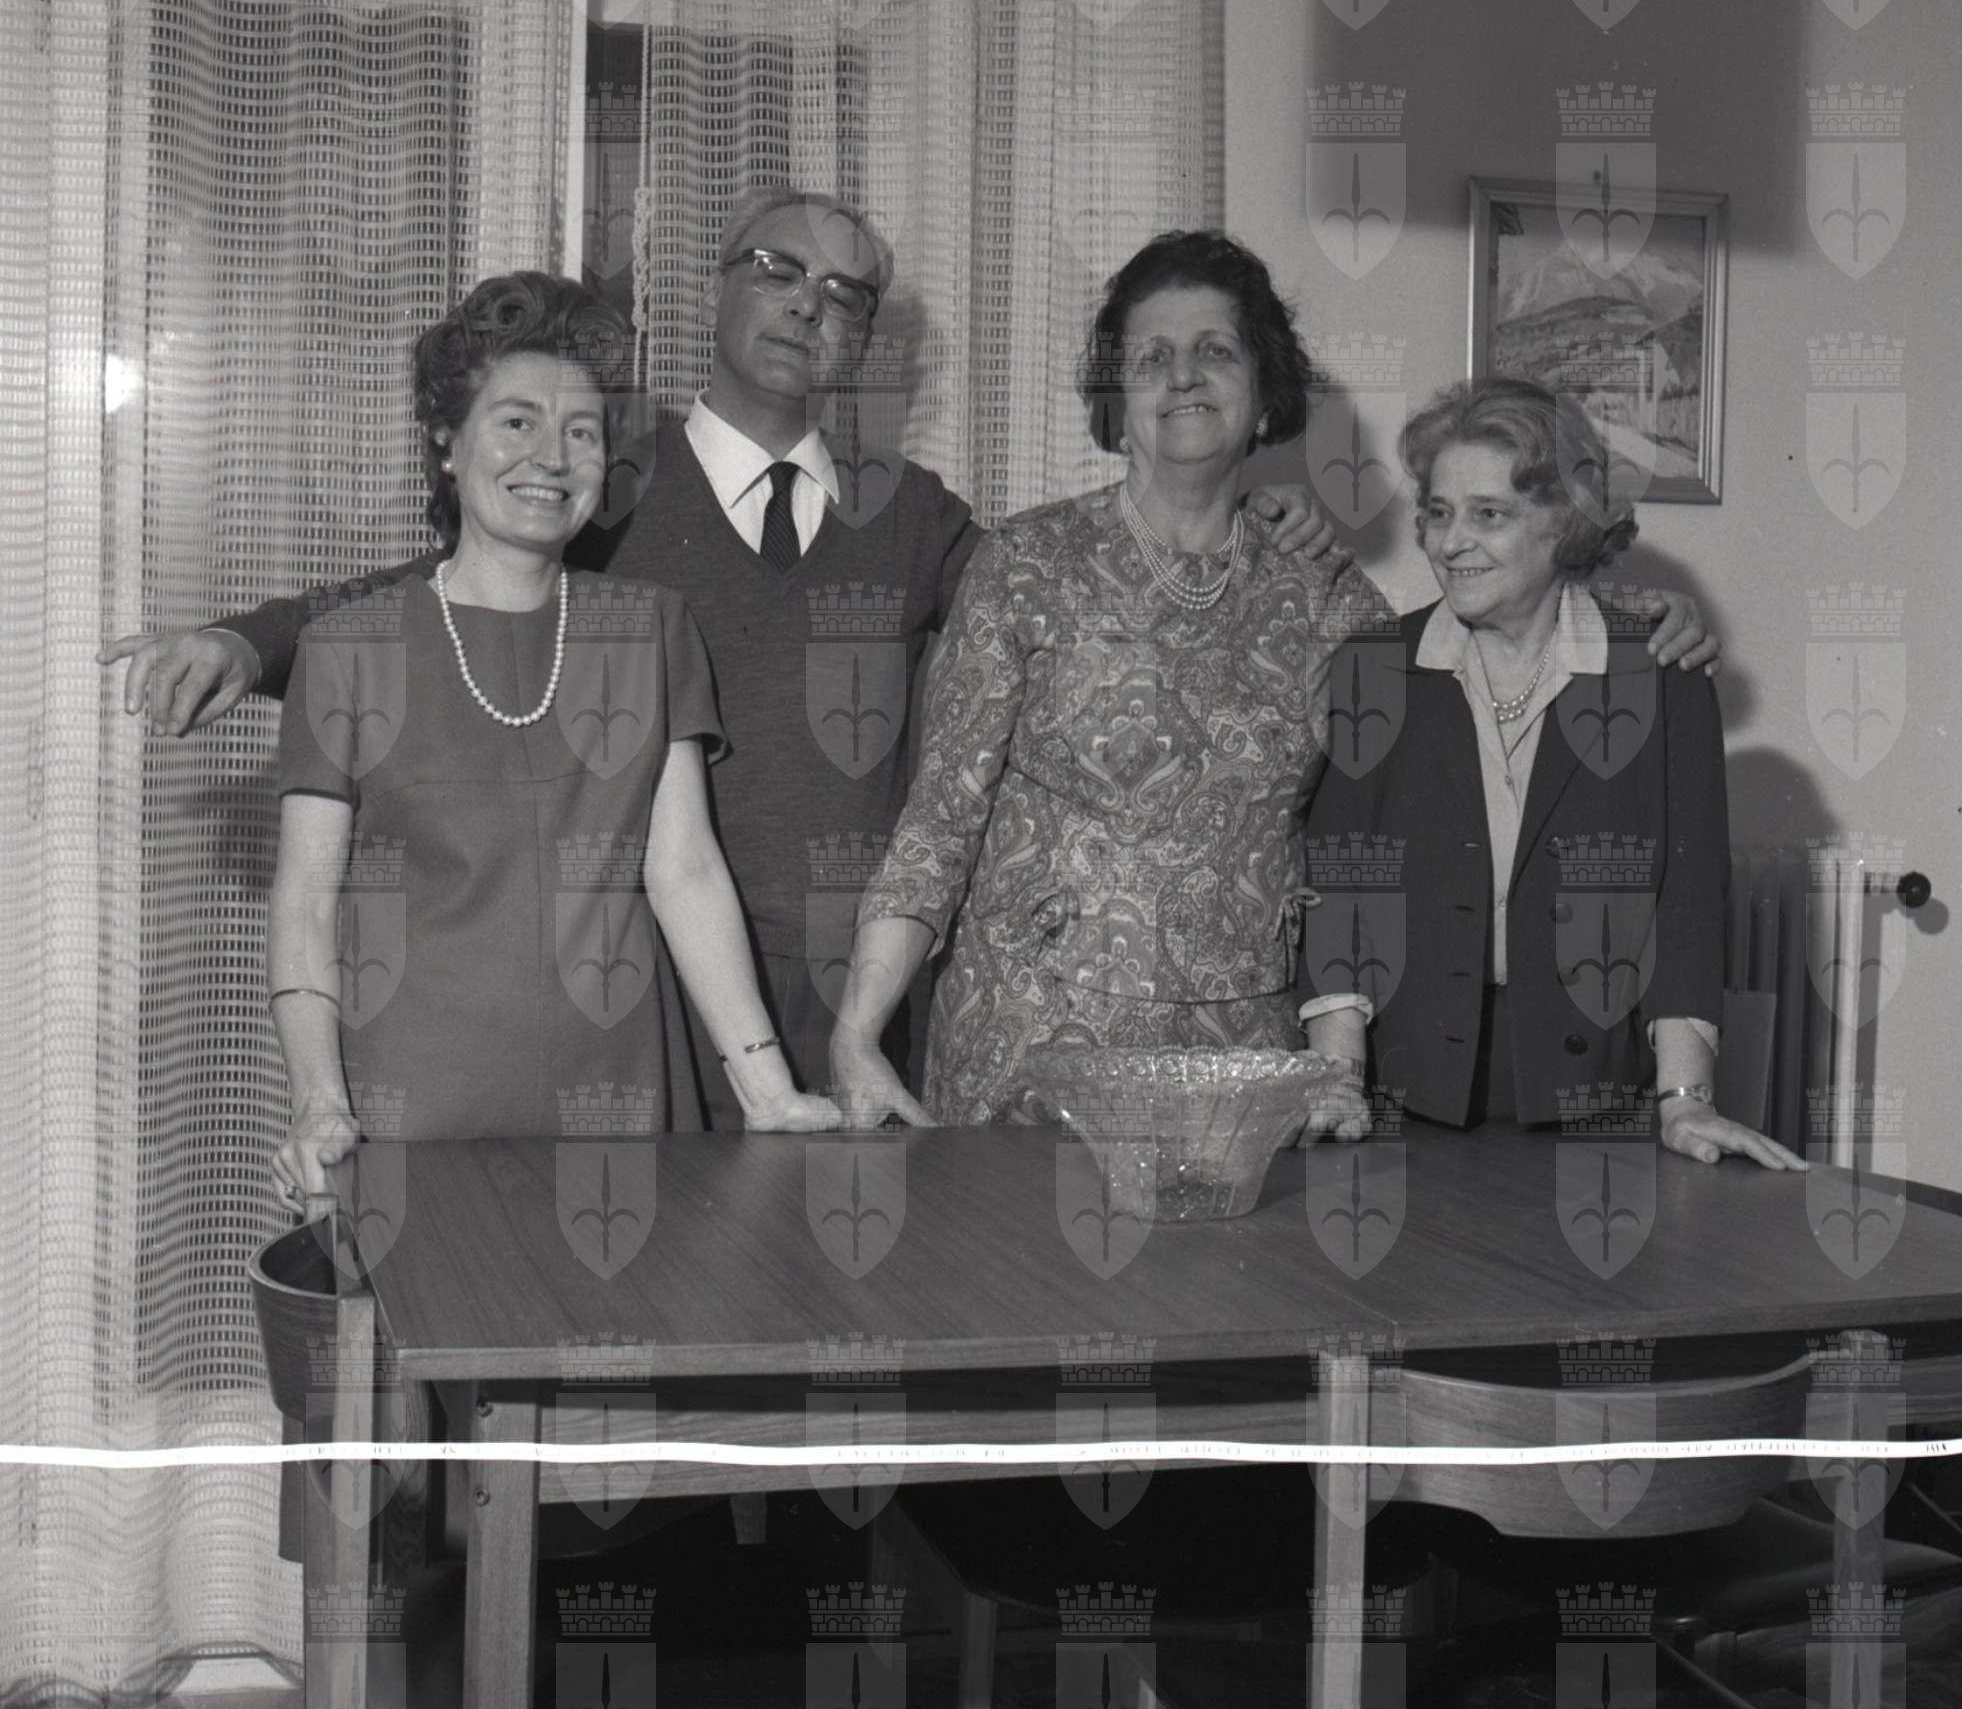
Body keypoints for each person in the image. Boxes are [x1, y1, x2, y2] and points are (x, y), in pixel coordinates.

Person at [101, 188, 1338, 1127]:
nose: (810, 304)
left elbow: (1081, 610)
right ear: (717, 290)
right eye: (779, 270)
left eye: (847, 293)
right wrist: (250, 640)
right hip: (663, 988)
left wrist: (1252, 519)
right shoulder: (600, 474)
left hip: (857, 988)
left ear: (864, 339)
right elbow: (425, 594)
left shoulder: (913, 515)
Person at [827, 238, 1720, 1129]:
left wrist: (1621, 614)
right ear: (1116, 398)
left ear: (1264, 394)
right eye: (1151, 358)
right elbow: (937, 825)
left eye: (1214, 351)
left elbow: (1479, 651)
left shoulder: (1331, 598)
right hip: (1026, 1043)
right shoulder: (1025, 564)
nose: (1183, 376)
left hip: (1243, 1061)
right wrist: (859, 1031)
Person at [267, 272, 837, 1205]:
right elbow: (304, 904)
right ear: (447, 441)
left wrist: (767, 1090)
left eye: (582, 432)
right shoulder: (346, 651)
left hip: (624, 1107)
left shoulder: (650, 627)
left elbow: (686, 871)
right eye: (517, 422)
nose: (553, 457)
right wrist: (318, 1103)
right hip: (414, 1113)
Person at [1295, 377, 1803, 1169]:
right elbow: (1344, 892)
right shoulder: (1375, 669)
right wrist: (1335, 1080)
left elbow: (1687, 906)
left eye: (1488, 515)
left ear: (1564, 520)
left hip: (1595, 1099)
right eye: (1438, 512)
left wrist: (1686, 1102)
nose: (1450, 542)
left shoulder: (1662, 677)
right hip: (1402, 1094)